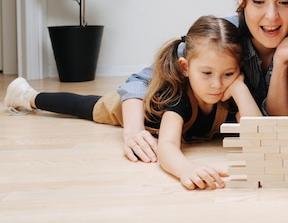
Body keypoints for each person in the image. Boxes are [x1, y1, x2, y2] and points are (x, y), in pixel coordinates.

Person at [4, 15, 262, 190]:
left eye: (228, 74)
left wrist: (239, 88)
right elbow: (167, 146)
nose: (217, 84)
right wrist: (186, 169)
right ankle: (28, 97)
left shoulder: (231, 91)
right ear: (185, 68)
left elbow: (257, 135)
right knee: (87, 107)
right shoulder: (179, 97)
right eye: (206, 73)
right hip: (136, 108)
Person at [119, 0, 288, 163]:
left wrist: (281, 63)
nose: (271, 16)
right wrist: (133, 131)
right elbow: (137, 82)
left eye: (284, 2)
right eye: (258, 1)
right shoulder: (223, 39)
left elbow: (275, 129)